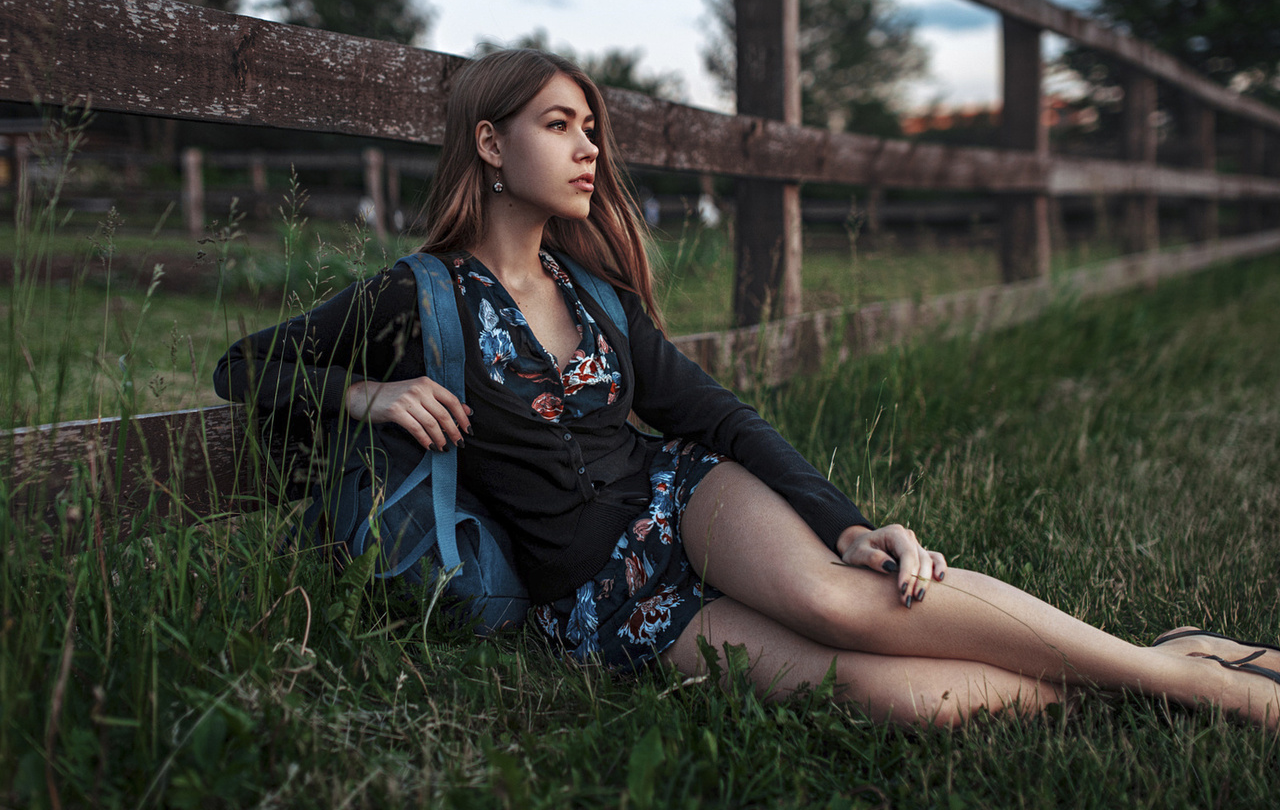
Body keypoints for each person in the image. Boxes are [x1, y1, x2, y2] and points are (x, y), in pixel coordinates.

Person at [215, 48, 1280, 729]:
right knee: (918, 703)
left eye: (591, 129)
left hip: (687, 500)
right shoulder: (420, 294)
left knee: (834, 596)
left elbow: (715, 416)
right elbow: (243, 366)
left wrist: (849, 524)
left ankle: (1191, 684)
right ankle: (1155, 661)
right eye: (558, 125)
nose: (588, 147)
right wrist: (365, 396)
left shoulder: (595, 295)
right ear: (488, 145)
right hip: (601, 601)